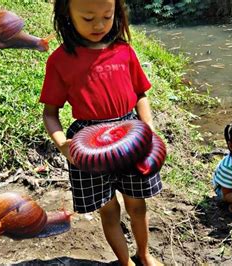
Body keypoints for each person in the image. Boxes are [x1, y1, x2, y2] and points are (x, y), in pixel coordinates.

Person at [39, 0, 162, 265]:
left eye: (107, 16)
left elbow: (140, 94)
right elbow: (50, 113)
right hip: (88, 144)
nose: (99, 25)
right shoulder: (61, 60)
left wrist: (148, 126)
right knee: (109, 210)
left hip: (130, 136)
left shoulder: (124, 51)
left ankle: (144, 254)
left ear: (116, 13)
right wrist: (63, 143)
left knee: (137, 204)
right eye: (87, 18)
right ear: (67, 15)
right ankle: (125, 262)